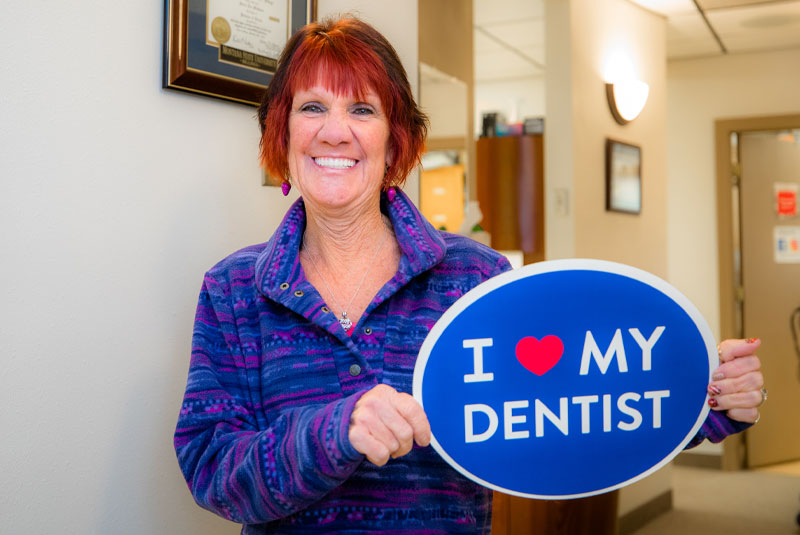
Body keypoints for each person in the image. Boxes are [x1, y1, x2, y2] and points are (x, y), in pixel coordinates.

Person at [174, 17, 766, 535]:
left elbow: (570, 405)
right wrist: (336, 431)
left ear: (394, 139)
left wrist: (706, 399)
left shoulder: (473, 277)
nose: (335, 131)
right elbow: (212, 471)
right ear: (282, 131)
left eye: (362, 108)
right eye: (311, 107)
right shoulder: (233, 289)